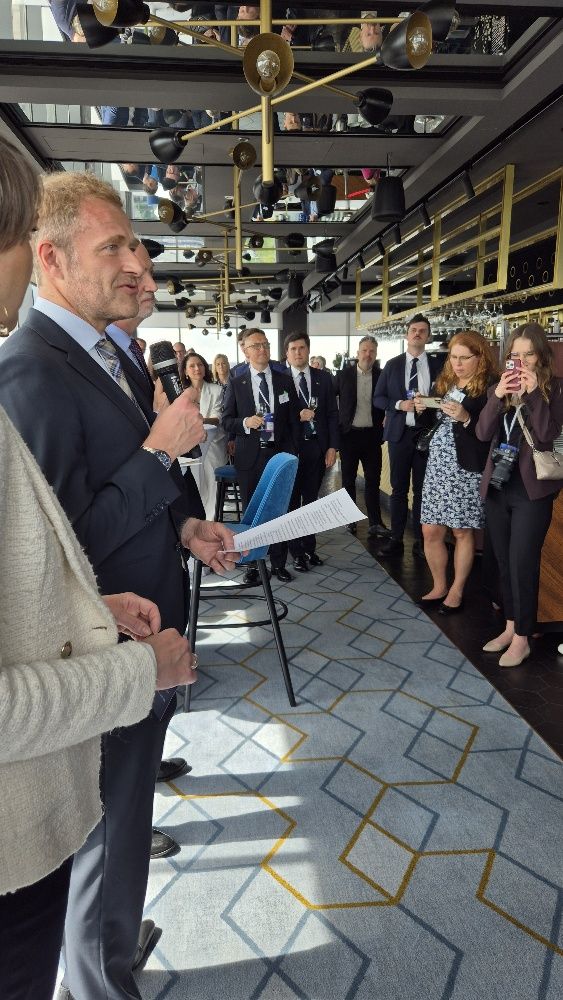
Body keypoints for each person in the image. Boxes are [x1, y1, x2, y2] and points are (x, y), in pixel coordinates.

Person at [0, 170, 239, 1000]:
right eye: (116, 248)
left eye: (136, 245)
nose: (140, 264)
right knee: (104, 838)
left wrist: (182, 527)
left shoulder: (111, 358)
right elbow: (59, 555)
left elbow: (120, 494)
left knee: (125, 827)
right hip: (99, 659)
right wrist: (160, 451)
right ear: (50, 258)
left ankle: (104, 951)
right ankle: (102, 979)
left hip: (144, 638)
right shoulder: (30, 371)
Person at [476, 323, 563, 667]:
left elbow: (545, 436)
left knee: (522, 562)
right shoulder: (499, 388)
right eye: (516, 355)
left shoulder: (555, 389)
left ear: (541, 356)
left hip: (532, 490)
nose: (522, 361)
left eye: (529, 354)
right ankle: (511, 626)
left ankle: (523, 638)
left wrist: (533, 395)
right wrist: (497, 397)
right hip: (498, 485)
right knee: (502, 560)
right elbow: (482, 433)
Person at [415, 331, 497, 614]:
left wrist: (466, 418)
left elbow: (489, 433)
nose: (457, 364)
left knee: (461, 530)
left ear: (480, 357)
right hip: (438, 466)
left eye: (464, 358)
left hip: (466, 468)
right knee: (430, 530)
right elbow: (437, 418)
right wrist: (423, 406)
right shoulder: (446, 381)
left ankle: (457, 590)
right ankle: (439, 585)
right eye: (453, 357)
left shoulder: (489, 387)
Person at [222, 327, 300, 585]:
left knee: (279, 511)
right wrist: (245, 422)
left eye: (265, 344)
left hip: (278, 455)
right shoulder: (236, 383)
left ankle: (278, 563)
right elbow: (226, 421)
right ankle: (252, 565)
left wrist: (293, 453)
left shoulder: (284, 381)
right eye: (256, 345)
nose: (262, 349)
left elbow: (293, 421)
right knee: (252, 513)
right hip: (249, 458)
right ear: (245, 351)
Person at [373, 315, 444, 557]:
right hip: (399, 435)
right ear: (406, 334)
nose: (417, 334)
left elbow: (446, 398)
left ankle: (421, 542)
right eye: (413, 330)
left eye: (422, 330)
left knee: (423, 491)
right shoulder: (392, 365)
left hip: (426, 435)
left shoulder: (439, 365)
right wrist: (399, 405)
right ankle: (396, 539)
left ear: (428, 336)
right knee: (398, 490)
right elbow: (378, 398)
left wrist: (430, 404)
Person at [284, 332, 339, 570]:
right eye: (293, 349)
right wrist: (297, 415)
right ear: (287, 353)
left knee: (311, 502)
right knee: (292, 502)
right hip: (291, 450)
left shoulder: (323, 378)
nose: (298, 352)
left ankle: (309, 549)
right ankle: (296, 552)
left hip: (317, 447)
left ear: (308, 350)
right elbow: (277, 416)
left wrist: (332, 446)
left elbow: (332, 414)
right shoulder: (279, 379)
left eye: (302, 348)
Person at [335, 335, 389, 538]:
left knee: (373, 481)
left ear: (376, 354)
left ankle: (375, 522)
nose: (368, 354)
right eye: (364, 350)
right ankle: (349, 521)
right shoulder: (343, 375)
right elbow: (330, 402)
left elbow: (389, 400)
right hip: (349, 436)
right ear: (357, 353)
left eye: (372, 351)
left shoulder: (382, 376)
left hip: (372, 437)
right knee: (348, 480)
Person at [182, 352, 228, 519]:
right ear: (185, 371)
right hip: (188, 446)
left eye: (200, 364)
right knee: (195, 487)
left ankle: (211, 522)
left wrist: (195, 420)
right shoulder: (181, 393)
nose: (197, 368)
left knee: (213, 488)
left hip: (213, 443)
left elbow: (217, 418)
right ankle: (197, 521)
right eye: (192, 366)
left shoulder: (216, 390)